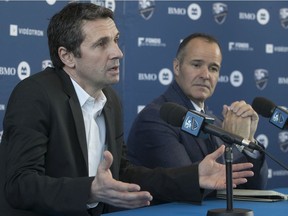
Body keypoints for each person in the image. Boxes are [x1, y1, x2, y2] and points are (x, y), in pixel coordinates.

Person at [0, 3, 254, 216]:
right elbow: (19, 185)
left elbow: (122, 173)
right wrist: (90, 189)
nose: (118, 53)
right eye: (101, 44)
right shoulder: (35, 95)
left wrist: (193, 176)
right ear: (67, 56)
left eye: (116, 40)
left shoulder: (111, 100)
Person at [127, 33, 268, 190]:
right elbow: (188, 185)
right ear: (177, 67)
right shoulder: (156, 117)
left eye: (213, 68)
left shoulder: (218, 123)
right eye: (196, 65)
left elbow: (255, 186)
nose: (205, 75)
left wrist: (246, 142)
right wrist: (232, 145)